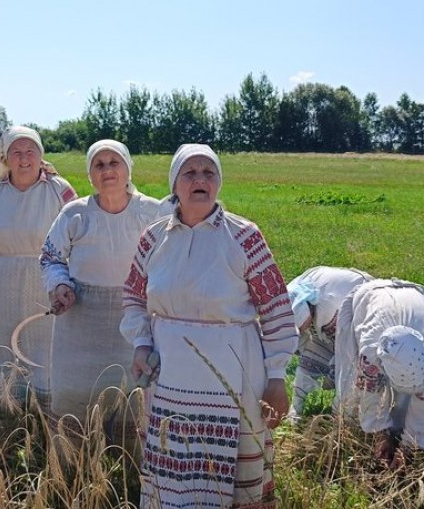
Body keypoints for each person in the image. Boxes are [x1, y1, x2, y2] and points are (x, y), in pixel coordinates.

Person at [120, 143, 298, 508]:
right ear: (175, 183)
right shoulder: (153, 238)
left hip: (234, 378)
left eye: (208, 173)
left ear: (218, 182)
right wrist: (140, 343)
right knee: (174, 470)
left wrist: (276, 376)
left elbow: (277, 309)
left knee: (231, 476)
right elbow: (134, 297)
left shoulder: (245, 237)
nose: (200, 180)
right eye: (190, 173)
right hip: (169, 378)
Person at [40, 139, 162, 436]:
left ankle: (128, 471)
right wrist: (59, 285)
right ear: (90, 174)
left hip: (134, 320)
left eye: (114, 163)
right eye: (99, 164)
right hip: (80, 321)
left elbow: (169, 260)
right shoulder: (74, 214)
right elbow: (50, 257)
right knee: (75, 398)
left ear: (128, 168)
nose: (107, 170)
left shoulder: (152, 213)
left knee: (131, 397)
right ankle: (73, 468)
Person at [0, 126, 76, 407]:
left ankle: (45, 407)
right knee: (3, 345)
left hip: (46, 282)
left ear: (41, 156)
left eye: (30, 151)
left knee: (44, 345)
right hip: (2, 283)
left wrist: (71, 285)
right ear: (5, 157)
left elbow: (78, 238)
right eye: (16, 152)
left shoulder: (59, 190)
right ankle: (4, 408)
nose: (24, 158)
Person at [334, 278, 424, 468]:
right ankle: (347, 426)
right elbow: (370, 395)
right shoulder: (371, 353)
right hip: (367, 298)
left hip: (410, 297)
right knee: (351, 383)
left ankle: (400, 435)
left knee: (405, 405)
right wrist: (380, 433)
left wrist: (409, 446)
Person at [287, 266, 373, 417]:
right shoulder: (293, 293)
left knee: (350, 373)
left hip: (360, 314)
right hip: (332, 325)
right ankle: (295, 411)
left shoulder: (330, 306)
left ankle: (344, 415)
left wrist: (334, 371)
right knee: (307, 363)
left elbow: (346, 348)